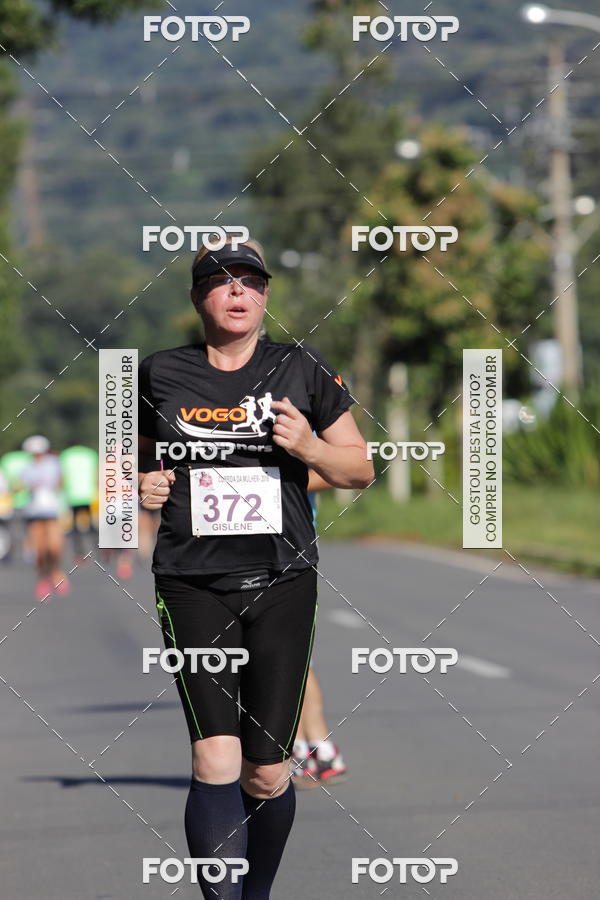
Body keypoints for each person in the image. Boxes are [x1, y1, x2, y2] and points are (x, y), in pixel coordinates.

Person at [137, 237, 373, 899]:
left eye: (249, 281)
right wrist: (139, 484)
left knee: (268, 773)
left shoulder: (299, 368)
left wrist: (309, 445)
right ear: (198, 297)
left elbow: (360, 468)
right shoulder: (159, 374)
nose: (236, 292)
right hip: (191, 583)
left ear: (265, 295)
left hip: (282, 583)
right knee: (215, 755)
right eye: (220, 281)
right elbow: (129, 464)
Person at [290, 470, 347, 787]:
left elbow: (337, 469)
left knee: (284, 656)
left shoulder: (303, 418)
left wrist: (260, 476)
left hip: (286, 546)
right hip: (231, 549)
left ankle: (302, 748)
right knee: (293, 658)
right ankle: (317, 748)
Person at [19, 435, 69, 600]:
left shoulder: (54, 464)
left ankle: (56, 573)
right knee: (39, 550)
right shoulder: (28, 467)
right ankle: (42, 579)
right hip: (34, 512)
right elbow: (20, 485)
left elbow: (61, 482)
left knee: (54, 547)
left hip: (53, 511)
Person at [59, 444, 98, 564]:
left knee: (75, 527)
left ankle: (79, 552)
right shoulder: (91, 454)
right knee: (92, 524)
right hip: (89, 494)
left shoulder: (65, 455)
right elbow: (97, 475)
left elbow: (62, 477)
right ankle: (100, 548)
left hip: (72, 495)